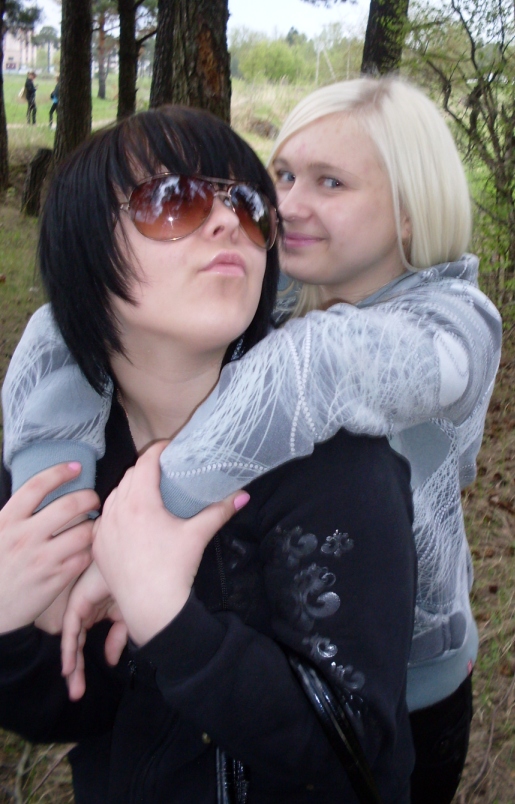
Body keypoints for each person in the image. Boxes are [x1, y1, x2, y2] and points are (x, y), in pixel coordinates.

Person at [0, 105, 417, 803]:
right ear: (83, 251)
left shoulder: (335, 465)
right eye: (175, 201)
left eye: (248, 207)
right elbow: (74, 710)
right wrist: (8, 626)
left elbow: (355, 754)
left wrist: (169, 620)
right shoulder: (58, 466)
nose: (227, 222)